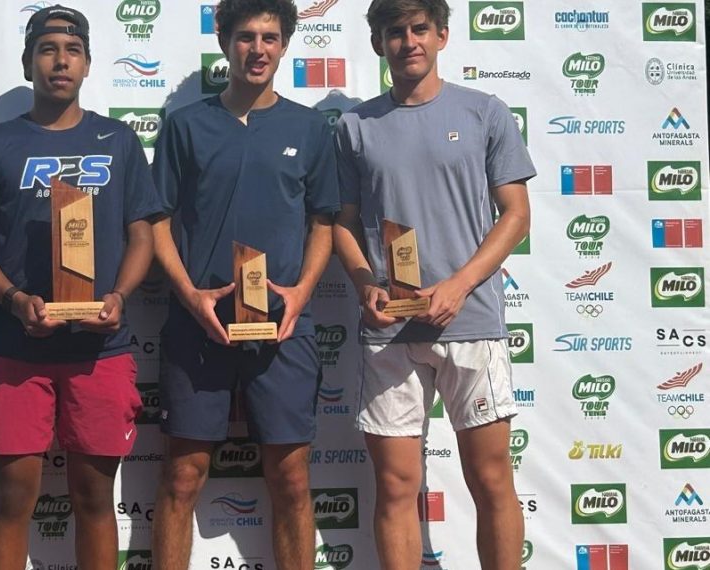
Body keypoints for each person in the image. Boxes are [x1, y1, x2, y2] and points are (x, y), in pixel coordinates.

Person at [0, 6, 160, 570]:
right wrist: (14, 299)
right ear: (28, 64)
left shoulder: (118, 140)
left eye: (72, 50)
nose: (60, 61)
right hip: (17, 349)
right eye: (47, 50)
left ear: (88, 64)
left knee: (94, 500)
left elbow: (142, 233)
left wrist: (119, 297)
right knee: (11, 499)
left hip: (100, 350)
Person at [332, 0, 536, 568]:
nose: (409, 41)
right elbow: (342, 223)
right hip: (389, 331)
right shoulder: (353, 127)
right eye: (395, 32)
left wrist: (459, 285)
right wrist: (365, 285)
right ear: (378, 44)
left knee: (491, 480)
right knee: (396, 487)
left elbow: (516, 215)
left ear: (442, 35)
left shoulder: (485, 112)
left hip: (470, 322)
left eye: (420, 28)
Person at [149, 1, 339, 568]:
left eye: (270, 38)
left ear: (285, 46)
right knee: (182, 476)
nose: (258, 49)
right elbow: (156, 222)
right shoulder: (185, 125)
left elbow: (324, 222)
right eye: (246, 37)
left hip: (283, 326)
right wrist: (190, 296)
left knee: (292, 479)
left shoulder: (310, 128)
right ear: (224, 42)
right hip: (197, 324)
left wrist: (302, 292)